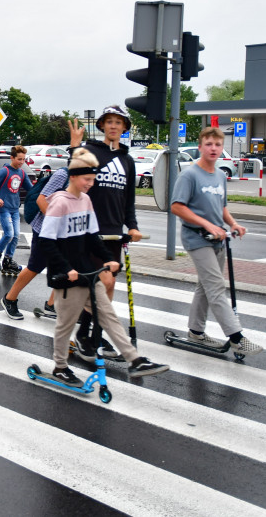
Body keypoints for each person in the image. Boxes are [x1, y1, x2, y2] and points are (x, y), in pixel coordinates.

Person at [39, 148, 169, 382]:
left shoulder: (86, 200)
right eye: (87, 179)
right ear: (74, 177)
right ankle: (60, 367)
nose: (91, 184)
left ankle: (135, 360)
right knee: (64, 326)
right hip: (66, 276)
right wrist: (66, 268)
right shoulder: (60, 203)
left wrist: (108, 259)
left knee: (109, 316)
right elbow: (47, 243)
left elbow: (91, 236)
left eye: (93, 179)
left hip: (88, 272)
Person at [171, 126, 263, 356]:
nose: (213, 149)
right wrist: (206, 224)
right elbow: (177, 207)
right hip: (196, 237)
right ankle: (237, 338)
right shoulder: (189, 175)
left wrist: (232, 224)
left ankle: (195, 331)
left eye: (218, 145)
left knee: (205, 285)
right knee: (215, 287)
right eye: (209, 144)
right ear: (200, 147)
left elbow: (221, 207)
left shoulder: (220, 175)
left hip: (218, 238)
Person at [71, 105, 143, 356]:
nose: (113, 126)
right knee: (104, 281)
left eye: (118, 122)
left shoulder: (128, 160)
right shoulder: (91, 151)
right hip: (90, 231)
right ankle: (84, 333)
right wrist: (74, 147)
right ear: (102, 125)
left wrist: (132, 226)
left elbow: (129, 199)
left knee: (107, 288)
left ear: (124, 128)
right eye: (109, 122)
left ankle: (94, 335)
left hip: (114, 232)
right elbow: (75, 177)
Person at [1, 119, 86, 320]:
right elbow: (41, 199)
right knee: (35, 267)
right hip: (45, 229)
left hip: (64, 232)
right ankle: (10, 299)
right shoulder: (62, 175)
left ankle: (51, 305)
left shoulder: (81, 180)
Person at [0, 145, 32, 275]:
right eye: (19, 159)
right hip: (3, 208)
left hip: (14, 209)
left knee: (16, 235)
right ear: (12, 158)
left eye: (24, 159)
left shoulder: (22, 173)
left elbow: (31, 188)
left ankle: (8, 260)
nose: (22, 162)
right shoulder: (5, 171)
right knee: (9, 234)